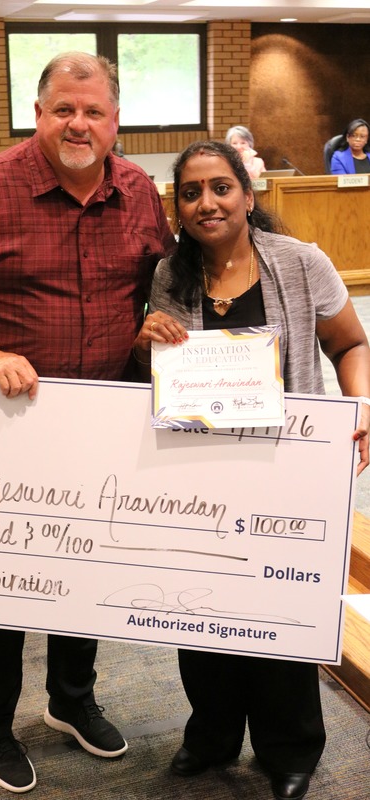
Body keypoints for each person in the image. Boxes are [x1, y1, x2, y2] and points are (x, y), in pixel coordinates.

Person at [0, 51, 175, 794]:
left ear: (115, 121)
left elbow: (157, 288)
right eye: (63, 109)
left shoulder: (140, 191)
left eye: (95, 112)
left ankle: (71, 701)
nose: (79, 124)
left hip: (100, 420)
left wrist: (149, 326)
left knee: (82, 566)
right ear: (38, 112)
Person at [132, 140, 370, 800]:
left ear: (247, 194)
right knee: (199, 614)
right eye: (189, 192)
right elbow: (159, 382)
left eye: (219, 188)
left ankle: (288, 748)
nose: (205, 202)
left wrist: (362, 403)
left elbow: (349, 342)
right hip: (197, 476)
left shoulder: (299, 263)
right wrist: (145, 341)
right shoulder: (167, 277)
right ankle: (208, 737)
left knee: (280, 608)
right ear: (177, 207)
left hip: (285, 471)